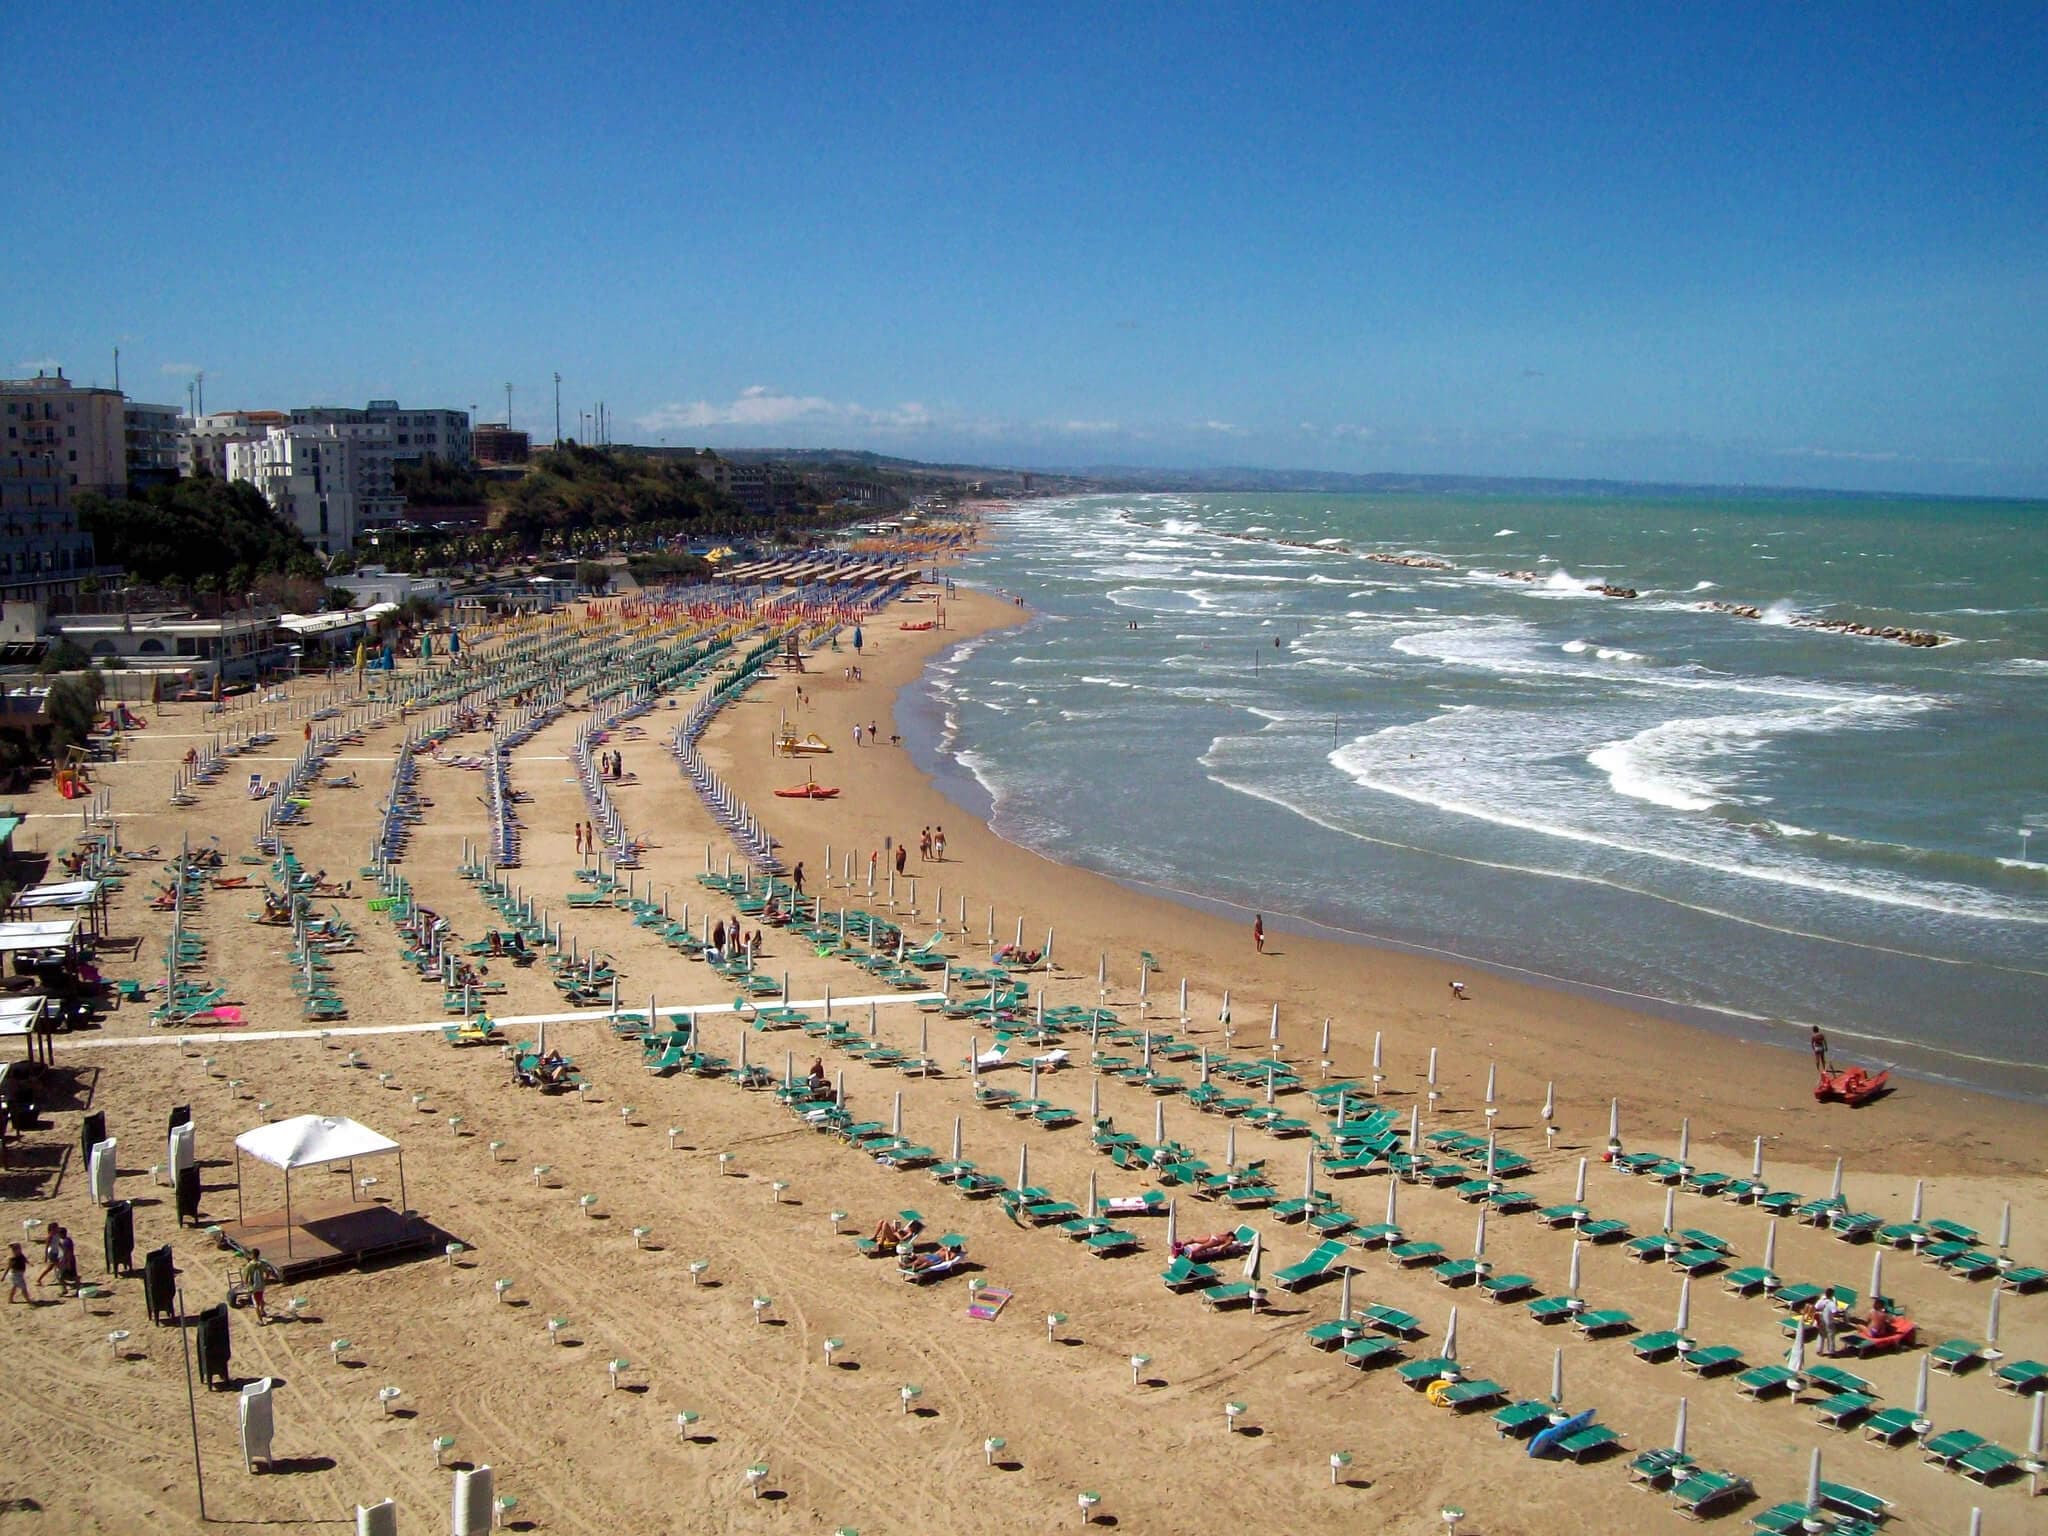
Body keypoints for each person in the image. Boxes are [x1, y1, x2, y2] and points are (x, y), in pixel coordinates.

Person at [241, 1247, 279, 1323]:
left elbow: (245, 1278)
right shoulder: (261, 1263)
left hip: (253, 1287)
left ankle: (260, 1320)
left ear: (252, 1255)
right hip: (261, 1285)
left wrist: (246, 1285)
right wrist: (265, 1279)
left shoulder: (249, 1266)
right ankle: (262, 1311)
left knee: (256, 1304)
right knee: (261, 1298)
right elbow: (268, 1272)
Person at [1814, 1286, 1841, 1357]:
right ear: (1832, 1295)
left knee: (1821, 1336)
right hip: (1829, 1322)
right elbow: (1834, 1312)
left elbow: (1816, 1307)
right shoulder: (1831, 1303)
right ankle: (1831, 1352)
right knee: (1830, 1337)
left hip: (1821, 1321)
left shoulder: (1821, 1300)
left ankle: (1819, 1351)